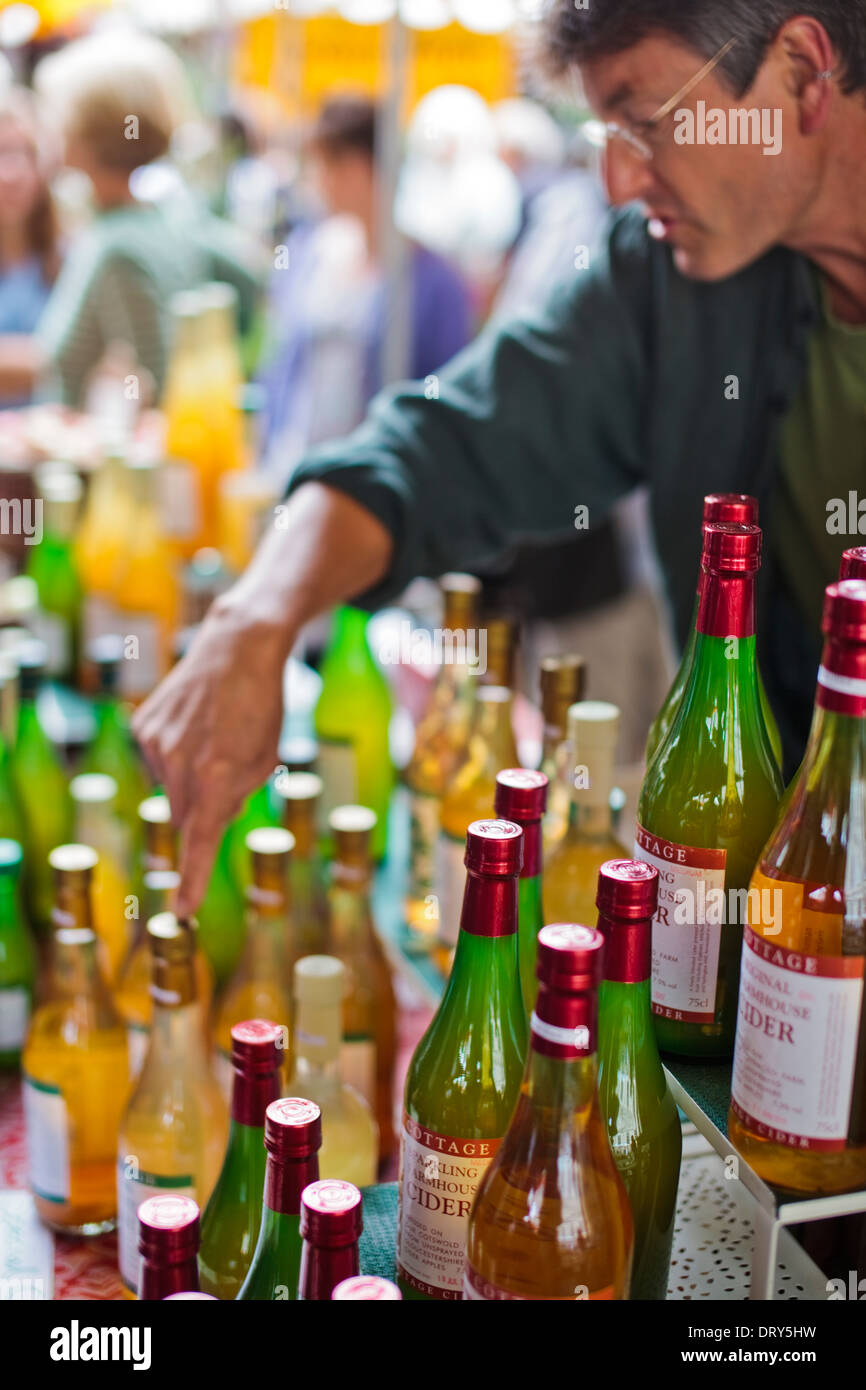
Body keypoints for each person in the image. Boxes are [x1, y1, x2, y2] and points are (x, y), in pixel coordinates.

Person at [136, 0, 866, 910]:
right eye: (602, 133)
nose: (616, 180)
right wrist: (253, 621)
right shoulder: (666, 278)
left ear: (801, 73)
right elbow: (441, 445)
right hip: (767, 912)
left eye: (646, 124)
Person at [0, 31, 262, 409]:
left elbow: (159, 382)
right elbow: (248, 274)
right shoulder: (165, 218)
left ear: (88, 133)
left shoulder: (117, 244)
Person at [257, 96, 473, 484]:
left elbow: (441, 397)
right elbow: (280, 363)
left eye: (323, 165)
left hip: (372, 483)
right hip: (290, 469)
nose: (316, 180)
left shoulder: (434, 282)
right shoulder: (308, 251)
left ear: (358, 168)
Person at [0, 88, 60, 405]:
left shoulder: (67, 257)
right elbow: (74, 354)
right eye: (2, 153)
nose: (14, 172)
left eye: (27, 154)